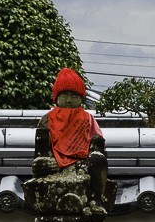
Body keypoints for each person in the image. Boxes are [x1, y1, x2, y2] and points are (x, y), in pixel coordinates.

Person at [33, 68, 109, 208]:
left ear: (81, 98)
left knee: (98, 160)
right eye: (65, 95)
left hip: (81, 168)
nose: (69, 100)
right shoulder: (46, 121)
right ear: (56, 97)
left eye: (74, 96)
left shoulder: (88, 120)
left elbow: (98, 153)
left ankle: (96, 201)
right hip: (54, 169)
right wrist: (42, 164)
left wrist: (77, 163)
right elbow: (40, 155)